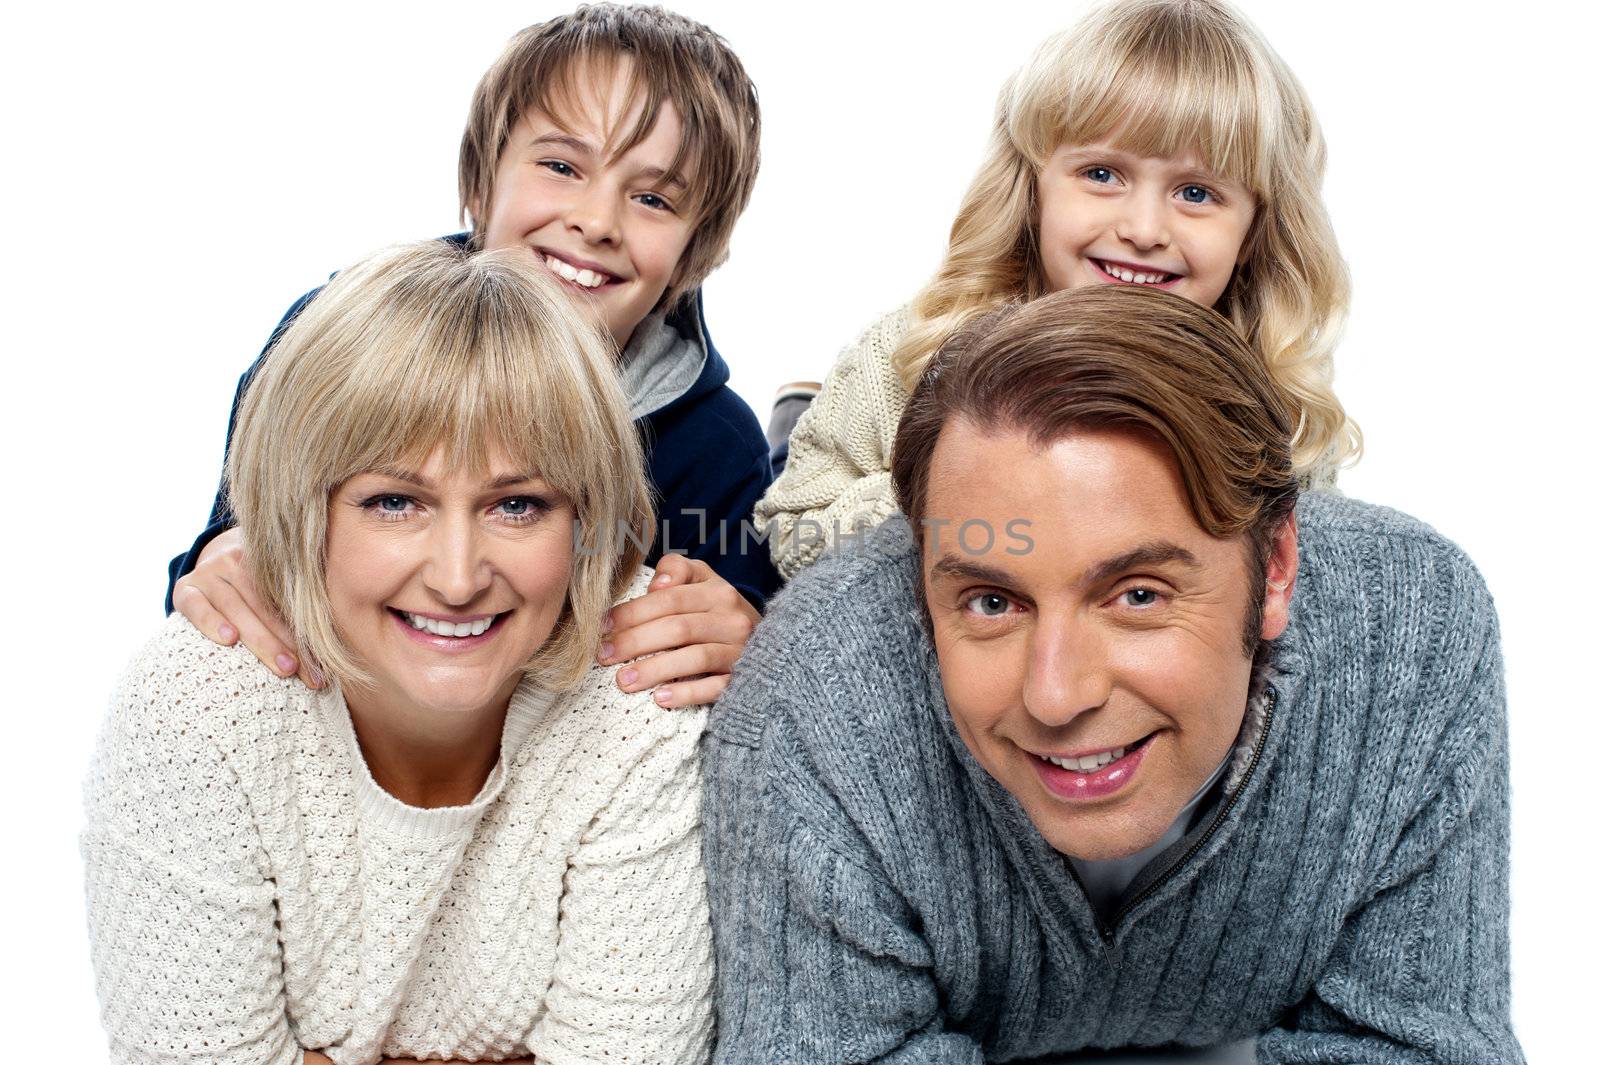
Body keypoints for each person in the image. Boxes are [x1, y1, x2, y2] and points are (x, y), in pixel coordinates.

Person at [705, 286, 1522, 1064]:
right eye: (993, 601)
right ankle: (800, 423)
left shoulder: (1417, 629)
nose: (1056, 695)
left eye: (1136, 594)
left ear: (1276, 567)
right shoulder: (809, 690)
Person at [85, 242, 715, 1065]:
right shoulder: (197, 707)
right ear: (304, 510)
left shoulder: (642, 684)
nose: (457, 577)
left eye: (518, 505)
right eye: (394, 501)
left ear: (586, 518)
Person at [169, 3, 773, 710]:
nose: (596, 221)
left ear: (693, 252)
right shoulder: (327, 341)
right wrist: (220, 558)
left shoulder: (718, 447)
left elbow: (726, 666)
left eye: (650, 198)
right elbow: (228, 549)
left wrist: (749, 636)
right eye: (560, 165)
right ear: (483, 182)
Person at [755, 0, 1358, 578]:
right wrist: (962, 497)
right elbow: (790, 532)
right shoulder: (909, 351)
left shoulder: (1282, 401)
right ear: (1033, 192)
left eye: (1195, 194)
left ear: (1254, 229)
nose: (1143, 231)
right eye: (1102, 174)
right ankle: (795, 419)